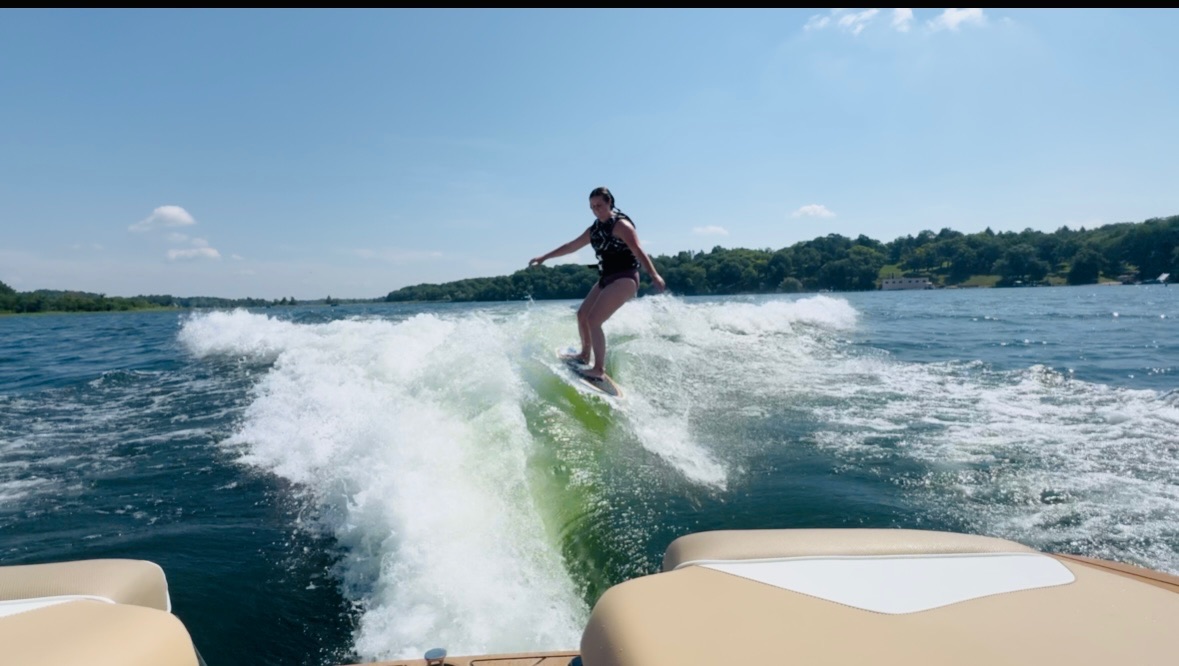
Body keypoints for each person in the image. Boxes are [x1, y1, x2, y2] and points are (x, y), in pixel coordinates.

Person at [529, 187, 666, 383]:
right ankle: (585, 354)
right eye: (592, 207)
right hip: (606, 278)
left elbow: (638, 250)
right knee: (582, 314)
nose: (596, 210)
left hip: (625, 278)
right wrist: (545, 257)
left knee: (594, 320)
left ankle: (599, 369)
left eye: (599, 205)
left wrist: (654, 275)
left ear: (609, 202)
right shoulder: (594, 230)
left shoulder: (622, 225)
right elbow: (571, 246)